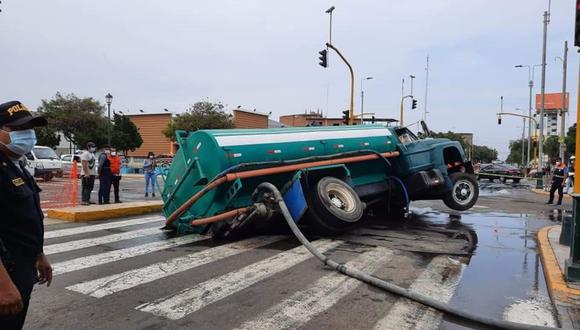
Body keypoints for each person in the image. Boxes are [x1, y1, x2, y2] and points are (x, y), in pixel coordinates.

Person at [0, 101, 52, 329]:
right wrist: (2, 285)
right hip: (5, 273)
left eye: (29, 128)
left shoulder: (16, 165)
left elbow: (26, 217)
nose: (27, 134)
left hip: (22, 266)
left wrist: (39, 254)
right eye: (17, 129)